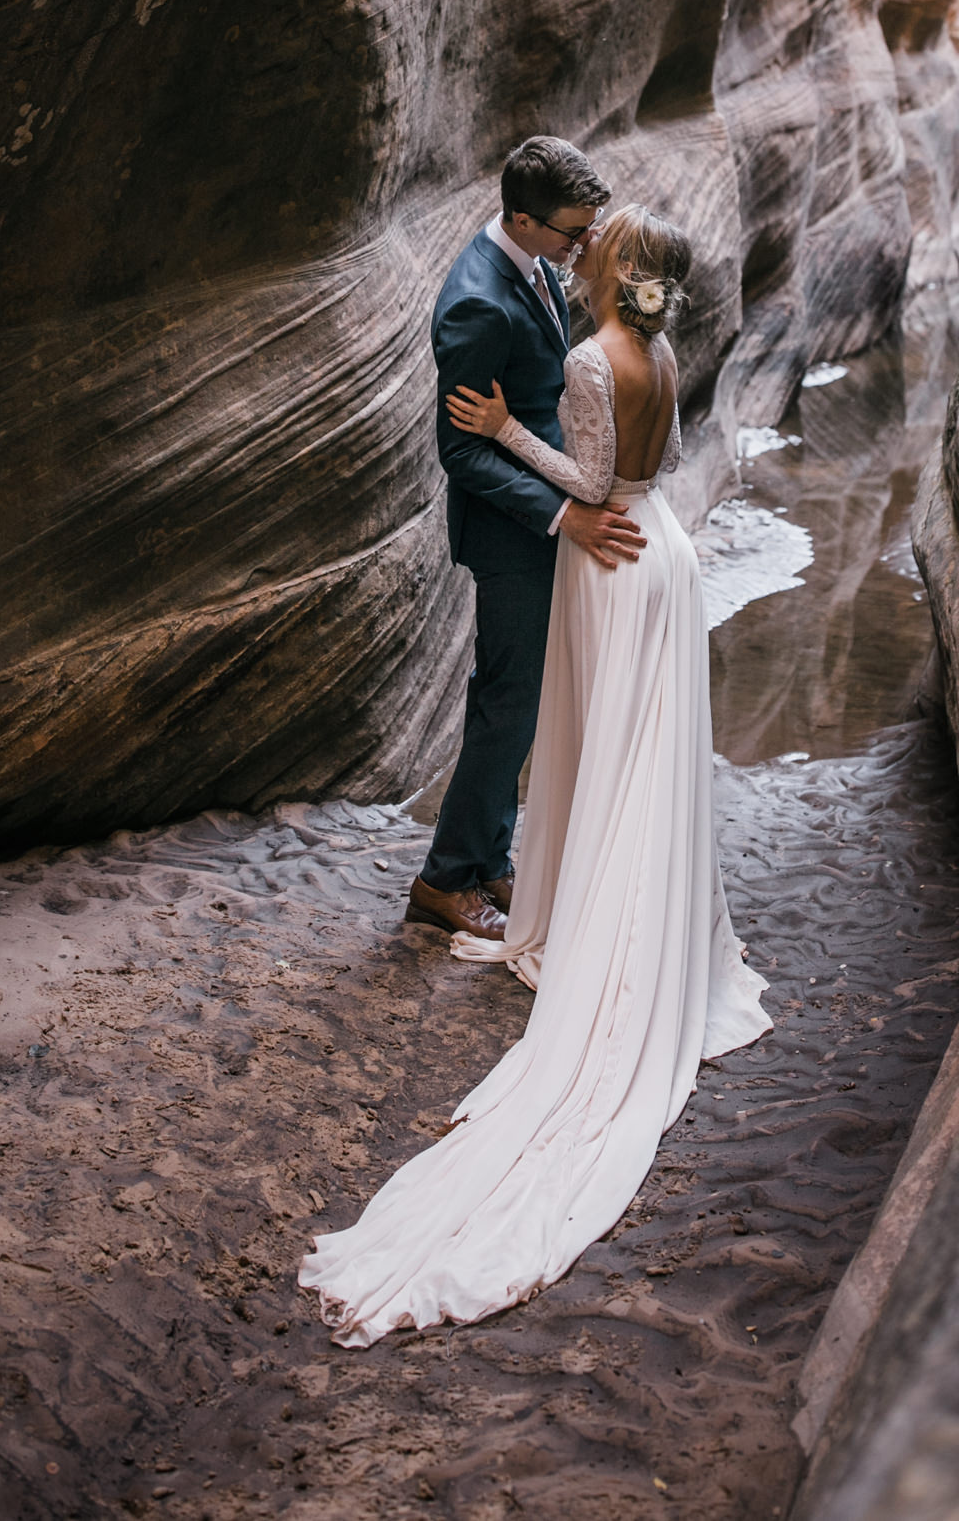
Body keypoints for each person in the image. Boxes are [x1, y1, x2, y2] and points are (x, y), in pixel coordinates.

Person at [299, 205, 770, 1346]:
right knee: (639, 753)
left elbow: (591, 480)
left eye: (591, 249)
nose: (581, 260)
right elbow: (640, 478)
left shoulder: (585, 356)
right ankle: (614, 899)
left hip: (612, 558)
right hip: (666, 556)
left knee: (602, 744)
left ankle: (581, 912)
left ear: (609, 267)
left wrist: (508, 427)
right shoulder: (658, 348)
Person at [403, 136, 646, 942]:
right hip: (515, 531)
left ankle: (488, 859)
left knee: (522, 703)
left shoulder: (534, 261)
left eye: (588, 229)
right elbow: (461, 450)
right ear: (520, 217)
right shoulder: (476, 300)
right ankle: (443, 882)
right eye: (572, 232)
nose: (583, 247)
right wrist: (561, 514)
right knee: (506, 705)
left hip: (547, 502)